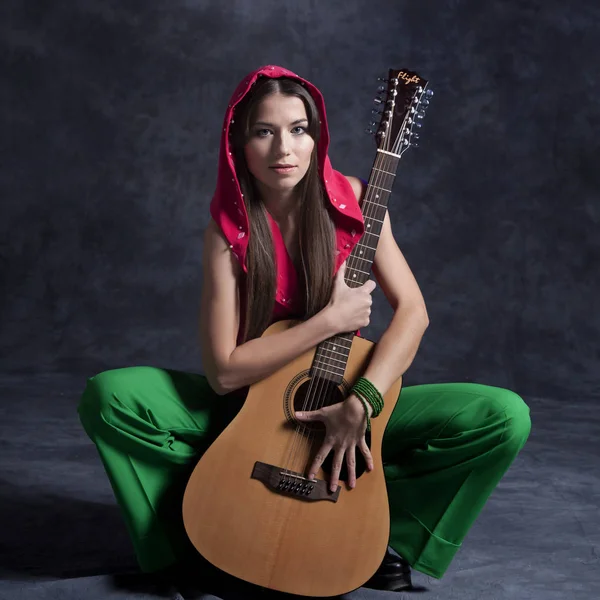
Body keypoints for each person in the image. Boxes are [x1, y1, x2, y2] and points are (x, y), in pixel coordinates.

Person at [78, 64, 532, 593]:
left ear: (317, 138)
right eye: (263, 132)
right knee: (108, 397)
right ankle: (191, 533)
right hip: (248, 404)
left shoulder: (357, 200)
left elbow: (414, 312)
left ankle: (380, 533)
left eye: (298, 129)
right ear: (238, 145)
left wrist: (361, 403)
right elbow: (224, 372)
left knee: (504, 417)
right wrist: (330, 321)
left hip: (347, 399)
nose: (282, 150)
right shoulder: (228, 234)